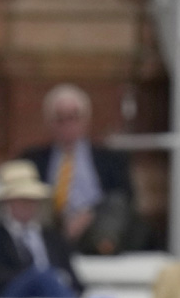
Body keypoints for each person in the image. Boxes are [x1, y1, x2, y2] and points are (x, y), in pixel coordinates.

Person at [20, 83, 140, 255]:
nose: (68, 125)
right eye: (61, 119)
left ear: (86, 120)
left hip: (96, 226)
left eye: (74, 117)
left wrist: (88, 215)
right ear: (49, 122)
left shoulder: (111, 159)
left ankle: (103, 248)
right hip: (51, 227)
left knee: (115, 205)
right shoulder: (33, 159)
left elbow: (124, 198)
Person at [0, 160, 83, 298]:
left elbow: (75, 281)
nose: (28, 206)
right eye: (22, 200)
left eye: (32, 200)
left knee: (48, 277)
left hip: (52, 297)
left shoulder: (53, 238)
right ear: (7, 203)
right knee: (42, 275)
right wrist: (33, 277)